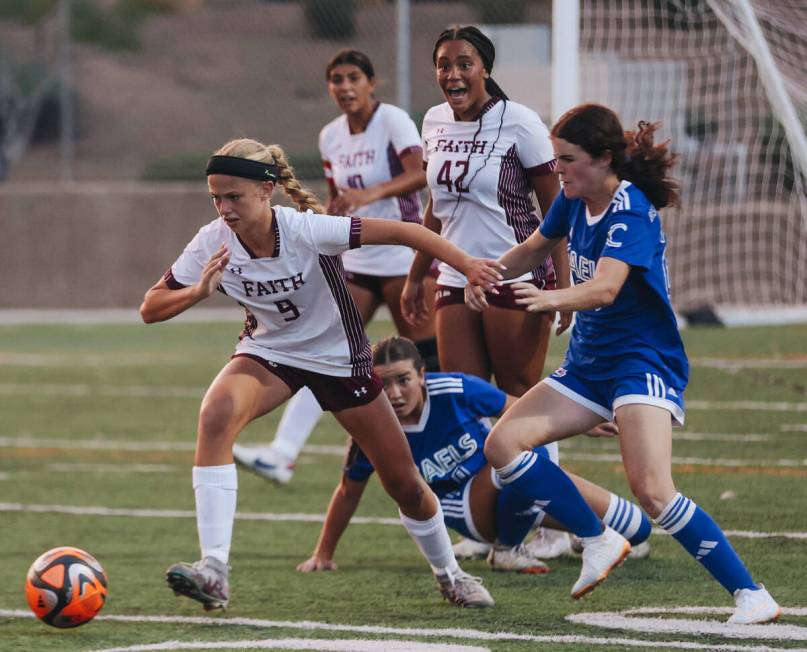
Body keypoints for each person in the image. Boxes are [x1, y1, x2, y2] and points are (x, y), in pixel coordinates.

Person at [140, 138, 506, 610]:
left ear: (266, 190)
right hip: (270, 352)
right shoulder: (212, 240)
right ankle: (214, 571)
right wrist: (197, 292)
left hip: (340, 360)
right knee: (215, 413)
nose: (224, 208)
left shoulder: (307, 230)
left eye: (234, 197)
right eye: (216, 197)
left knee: (404, 484)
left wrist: (468, 266)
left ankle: (450, 575)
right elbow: (150, 307)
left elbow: (409, 233)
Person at [464, 103, 781, 623]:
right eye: (555, 159)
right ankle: (597, 538)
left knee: (653, 490)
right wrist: (482, 274)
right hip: (589, 365)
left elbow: (606, 289)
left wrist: (545, 300)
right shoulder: (572, 198)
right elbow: (531, 250)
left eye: (566, 159)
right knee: (502, 444)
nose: (557, 169)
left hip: (642, 362)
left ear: (603, 158)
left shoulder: (630, 210)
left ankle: (752, 595)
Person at [401, 25, 573, 561]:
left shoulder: (519, 121)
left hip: (517, 277)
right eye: (444, 63)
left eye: (465, 62)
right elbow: (436, 204)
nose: (453, 73)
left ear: (486, 68)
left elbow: (556, 209)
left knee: (523, 397)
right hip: (454, 277)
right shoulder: (432, 120)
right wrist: (416, 272)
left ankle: (552, 520)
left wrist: (563, 286)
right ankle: (499, 524)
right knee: (467, 402)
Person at [233, 49, 438, 485]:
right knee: (320, 348)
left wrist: (368, 196)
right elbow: (333, 198)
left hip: (401, 255)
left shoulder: (393, 120)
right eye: (336, 80)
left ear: (371, 82)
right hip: (358, 261)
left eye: (352, 78)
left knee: (431, 360)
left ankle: (442, 452)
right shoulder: (331, 136)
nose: (344, 87)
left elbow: (421, 173)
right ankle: (282, 453)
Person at [296, 335, 652, 575]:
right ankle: (507, 549)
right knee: (510, 462)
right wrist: (322, 554)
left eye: (402, 380)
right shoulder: (372, 428)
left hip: (506, 484)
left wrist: (585, 422)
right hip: (462, 507)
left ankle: (580, 532)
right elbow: (348, 491)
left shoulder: (455, 388)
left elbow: (522, 412)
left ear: (422, 375)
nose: (394, 393)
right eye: (383, 384)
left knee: (637, 529)